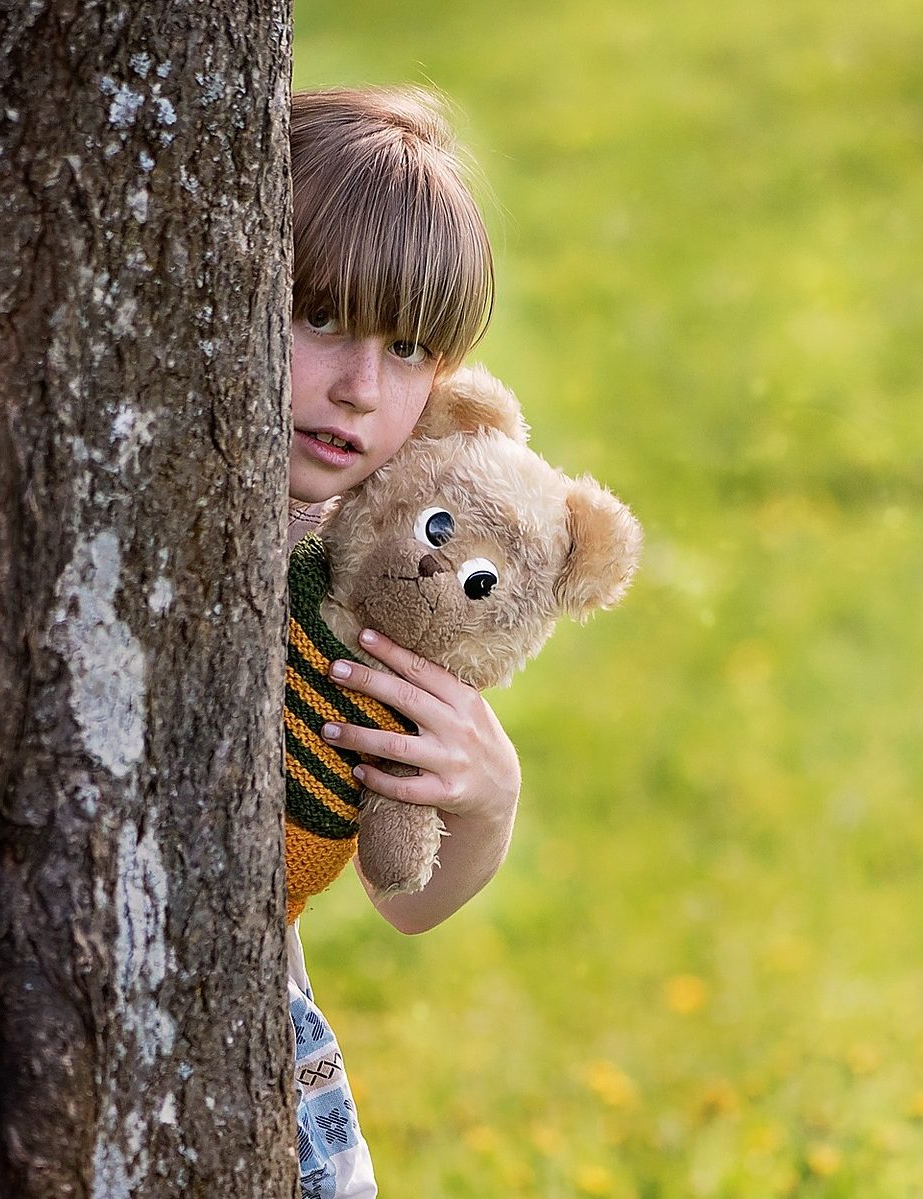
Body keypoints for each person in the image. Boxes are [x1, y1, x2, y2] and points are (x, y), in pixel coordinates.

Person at [281, 85, 517, 1199]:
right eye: (317, 315)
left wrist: (485, 801)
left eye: (408, 345)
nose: (358, 386)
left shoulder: (379, 580)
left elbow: (405, 897)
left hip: (262, 1042)